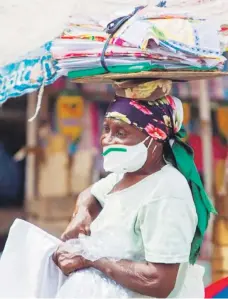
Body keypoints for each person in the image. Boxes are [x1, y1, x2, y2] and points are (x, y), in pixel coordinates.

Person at [53, 80, 216, 298]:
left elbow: (159, 280)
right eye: (106, 129)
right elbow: (91, 194)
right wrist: (82, 214)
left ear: (154, 138)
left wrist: (90, 258)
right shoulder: (125, 175)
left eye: (121, 133)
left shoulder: (167, 192)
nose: (107, 140)